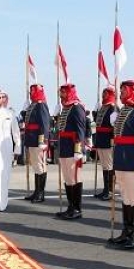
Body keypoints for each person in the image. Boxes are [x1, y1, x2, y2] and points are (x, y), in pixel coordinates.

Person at [107, 80, 134, 250]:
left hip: (133, 161)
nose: (121, 92)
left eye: (124, 89)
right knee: (126, 197)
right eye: (120, 89)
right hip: (121, 159)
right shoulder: (124, 110)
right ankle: (127, 231)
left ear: (133, 90)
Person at [54, 83, 86, 220]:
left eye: (63, 92)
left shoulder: (77, 107)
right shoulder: (65, 108)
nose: (61, 95)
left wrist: (78, 149)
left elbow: (80, 130)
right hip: (64, 146)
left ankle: (76, 208)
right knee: (67, 178)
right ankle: (70, 206)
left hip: (73, 147)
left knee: (74, 178)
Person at [23, 84, 50, 203]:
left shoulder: (41, 105)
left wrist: (42, 141)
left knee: (40, 166)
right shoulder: (33, 104)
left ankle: (40, 193)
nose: (30, 93)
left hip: (38, 140)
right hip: (31, 139)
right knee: (35, 165)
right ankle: (36, 191)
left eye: (33, 91)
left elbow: (44, 124)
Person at [93, 86, 116, 200]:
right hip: (101, 139)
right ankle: (105, 189)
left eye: (105, 94)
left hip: (108, 140)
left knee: (109, 166)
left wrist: (112, 141)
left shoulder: (113, 108)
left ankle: (110, 191)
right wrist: (95, 113)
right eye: (103, 93)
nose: (103, 95)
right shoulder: (103, 107)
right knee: (104, 166)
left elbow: (114, 127)